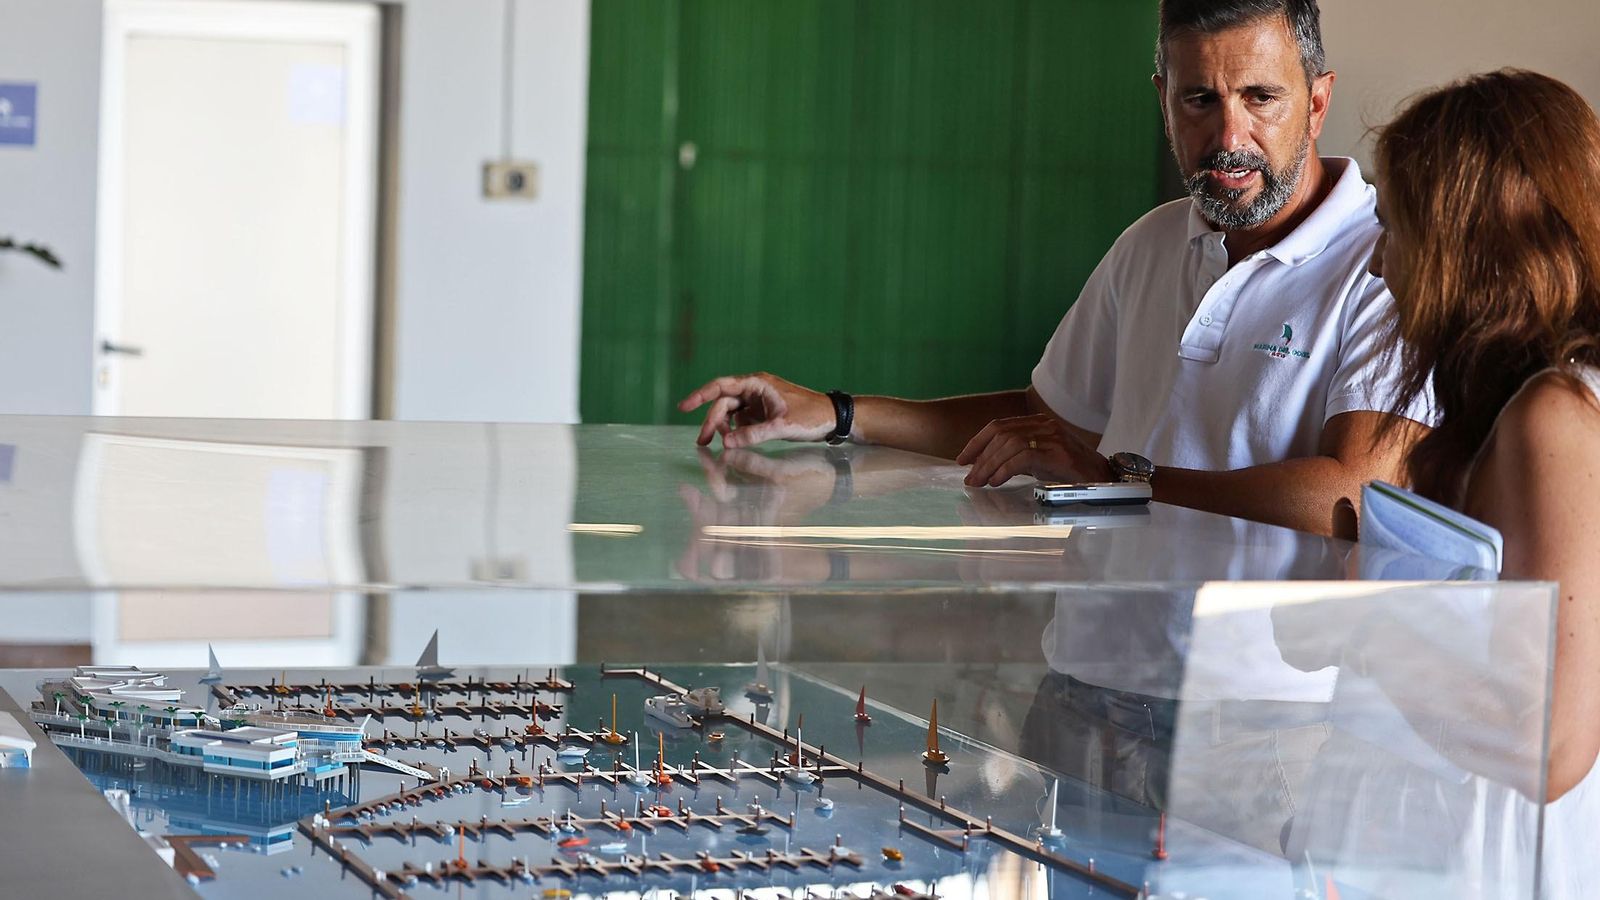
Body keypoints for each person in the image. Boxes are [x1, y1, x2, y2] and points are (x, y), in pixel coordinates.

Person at [680, 0, 1431, 536]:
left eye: (1261, 97)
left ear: (1318, 101)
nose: (1229, 134)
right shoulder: (1152, 242)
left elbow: (1353, 498)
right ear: (1163, 102)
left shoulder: (1385, 265)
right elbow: (1046, 427)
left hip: (1253, 727)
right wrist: (840, 414)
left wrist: (1123, 477)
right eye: (1199, 99)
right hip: (1094, 677)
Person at [1364, 68, 1600, 896]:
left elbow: (1549, 748)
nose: (1374, 264)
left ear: (1466, 248)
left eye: (1393, 230)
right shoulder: (1520, 408)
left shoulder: (1556, 417)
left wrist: (1351, 635)